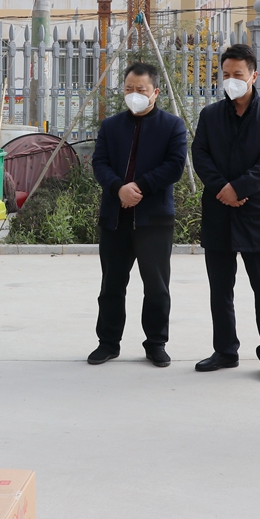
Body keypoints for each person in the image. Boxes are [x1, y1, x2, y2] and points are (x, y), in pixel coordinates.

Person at [191, 44, 260, 382]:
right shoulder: (210, 115)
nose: (231, 80)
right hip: (219, 211)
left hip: (257, 213)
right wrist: (223, 188)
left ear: (253, 76)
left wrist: (240, 188)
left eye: (238, 74)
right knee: (220, 289)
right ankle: (225, 351)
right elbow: (200, 155)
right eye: (226, 74)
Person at [88, 62, 188, 367]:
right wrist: (118, 188)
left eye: (141, 89)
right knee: (111, 286)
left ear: (155, 92)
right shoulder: (111, 126)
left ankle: (156, 343)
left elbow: (174, 166)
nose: (134, 94)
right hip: (115, 218)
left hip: (154, 220)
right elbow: (99, 163)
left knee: (156, 287)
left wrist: (140, 187)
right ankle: (108, 342)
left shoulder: (172, 126)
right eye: (129, 88)